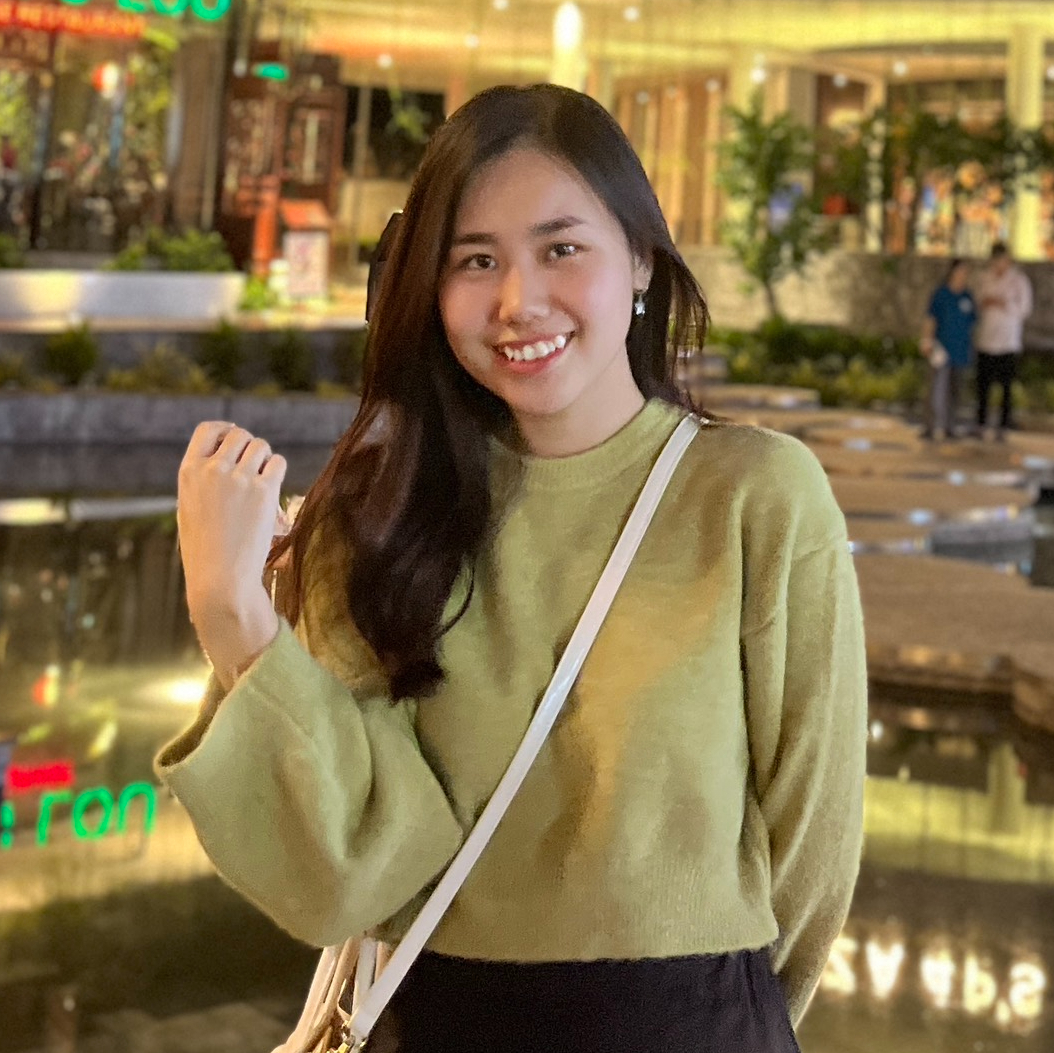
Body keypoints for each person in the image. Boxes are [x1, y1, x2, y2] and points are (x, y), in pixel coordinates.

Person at [158, 84, 867, 1053]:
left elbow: (812, 854)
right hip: (438, 1020)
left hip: (689, 1025)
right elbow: (335, 872)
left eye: (560, 248)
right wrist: (229, 613)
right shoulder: (378, 515)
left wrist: (718, 1012)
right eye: (475, 260)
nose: (517, 301)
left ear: (641, 261)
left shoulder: (755, 497)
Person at [974, 241, 1033, 439]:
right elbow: (977, 302)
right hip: (986, 339)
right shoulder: (984, 278)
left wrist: (1004, 303)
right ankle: (981, 424)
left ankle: (1003, 425)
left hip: (1008, 341)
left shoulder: (1019, 280)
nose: (999, 264)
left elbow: (1024, 309)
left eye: (1002, 260)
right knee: (983, 386)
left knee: (1006, 387)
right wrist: (986, 302)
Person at [920, 258, 976, 441]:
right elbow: (930, 318)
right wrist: (927, 341)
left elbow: (972, 322)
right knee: (936, 390)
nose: (963, 275)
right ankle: (930, 426)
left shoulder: (967, 296)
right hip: (941, 349)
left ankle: (949, 426)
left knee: (955, 391)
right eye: (960, 271)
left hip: (960, 350)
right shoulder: (941, 294)